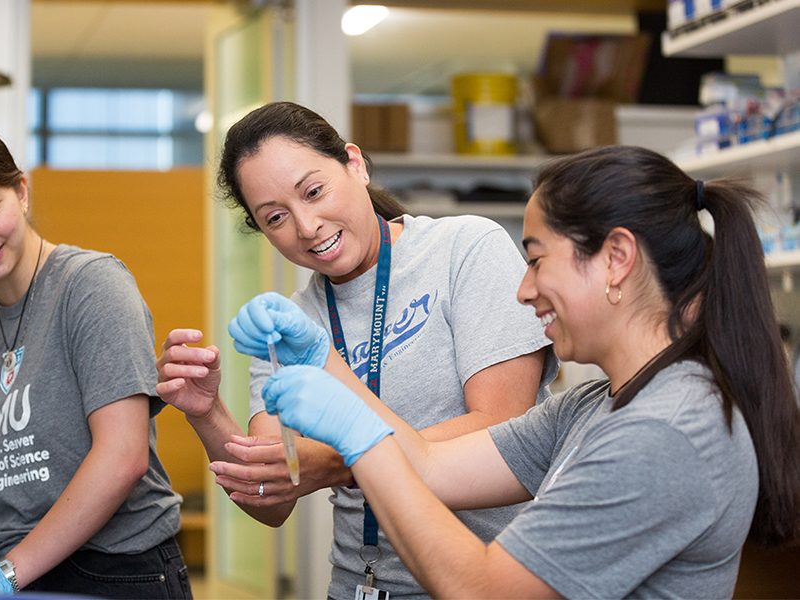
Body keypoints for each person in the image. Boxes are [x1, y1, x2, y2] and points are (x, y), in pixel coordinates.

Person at [233, 145, 800, 598]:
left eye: (534, 260)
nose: (523, 290)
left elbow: (482, 589)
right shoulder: (591, 406)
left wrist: (356, 440)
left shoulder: (665, 430)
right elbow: (429, 468)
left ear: (616, 259)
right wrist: (323, 359)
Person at [156, 101, 557, 598]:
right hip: (357, 585)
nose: (306, 226)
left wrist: (335, 461)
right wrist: (206, 411)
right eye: (276, 217)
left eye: (314, 191)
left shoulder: (463, 250)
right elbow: (271, 499)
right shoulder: (289, 321)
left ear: (355, 163)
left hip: (485, 577)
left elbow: (503, 431)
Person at [0, 121, 191, 598]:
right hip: (14, 575)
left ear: (21, 191)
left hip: (116, 571)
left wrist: (4, 575)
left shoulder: (91, 287)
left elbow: (123, 458)